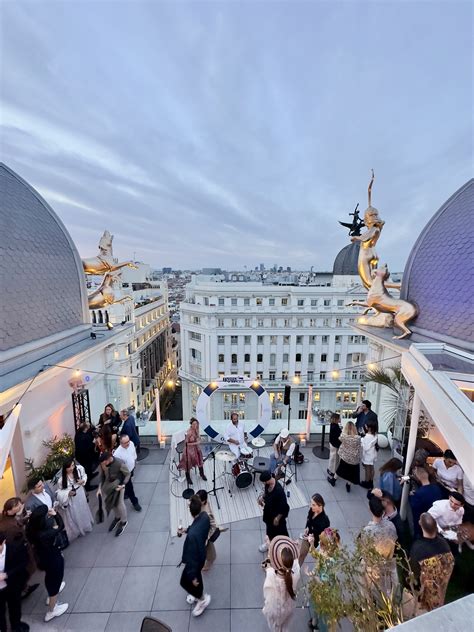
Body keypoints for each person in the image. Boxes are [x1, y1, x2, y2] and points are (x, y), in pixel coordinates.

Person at [25, 506, 68, 622]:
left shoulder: (31, 529)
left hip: (42, 558)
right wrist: (55, 514)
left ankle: (52, 595)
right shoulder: (45, 534)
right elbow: (61, 527)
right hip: (53, 558)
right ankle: (52, 609)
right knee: (55, 580)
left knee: (50, 577)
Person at [409, 513, 454, 612]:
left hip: (429, 586)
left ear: (420, 525)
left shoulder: (417, 549)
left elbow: (414, 573)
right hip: (442, 581)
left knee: (431, 605)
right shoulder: (444, 544)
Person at [178, 495, 211, 617]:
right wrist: (186, 530)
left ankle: (202, 599)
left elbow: (191, 558)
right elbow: (195, 528)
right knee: (189, 582)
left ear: (191, 513)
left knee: (187, 581)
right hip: (201, 554)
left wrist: (193, 577)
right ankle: (198, 595)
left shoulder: (192, 536)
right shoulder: (204, 516)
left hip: (195, 561)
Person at [360, 496, 398, 600]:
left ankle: (367, 602)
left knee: (365, 585)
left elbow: (365, 551)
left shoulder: (367, 531)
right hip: (388, 563)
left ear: (370, 510)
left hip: (374, 566)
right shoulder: (391, 526)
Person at [0, 498, 39, 600]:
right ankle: (22, 590)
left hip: (19, 551)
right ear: (9, 510)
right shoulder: (9, 527)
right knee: (24, 571)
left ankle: (23, 588)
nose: (20, 506)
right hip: (19, 553)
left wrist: (24, 518)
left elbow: (17, 522)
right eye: (17, 505)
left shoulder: (7, 518)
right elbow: (17, 534)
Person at [262, 536, 300, 632]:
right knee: (286, 625)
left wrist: (267, 569)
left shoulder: (271, 577)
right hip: (290, 607)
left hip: (277, 612)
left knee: (276, 628)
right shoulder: (296, 572)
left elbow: (269, 604)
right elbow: (295, 561)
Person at [307, 527, 342, 632]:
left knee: (319, 607)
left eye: (321, 543)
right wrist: (312, 544)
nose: (320, 544)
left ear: (325, 546)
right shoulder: (329, 550)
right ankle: (314, 622)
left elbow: (324, 582)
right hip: (323, 581)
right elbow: (316, 555)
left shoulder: (329, 561)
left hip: (324, 588)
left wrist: (312, 575)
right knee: (317, 606)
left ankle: (316, 626)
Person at [55, 458, 94, 541]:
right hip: (72, 498)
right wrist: (68, 493)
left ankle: (86, 525)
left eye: (73, 465)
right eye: (69, 467)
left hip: (80, 493)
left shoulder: (79, 469)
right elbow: (60, 492)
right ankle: (79, 529)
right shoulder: (61, 480)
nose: (72, 468)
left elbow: (85, 475)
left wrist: (83, 481)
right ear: (65, 468)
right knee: (75, 512)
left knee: (83, 508)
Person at [0, 531, 30, 632]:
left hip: (12, 586)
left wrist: (7, 574)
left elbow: (23, 562)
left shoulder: (15, 548)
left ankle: (16, 626)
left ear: (3, 542)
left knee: (15, 608)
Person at [97, 451, 130, 537]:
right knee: (112, 504)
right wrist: (99, 488)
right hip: (108, 487)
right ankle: (117, 517)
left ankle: (124, 521)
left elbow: (127, 474)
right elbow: (102, 476)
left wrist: (123, 485)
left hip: (119, 486)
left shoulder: (119, 463)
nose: (104, 464)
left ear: (108, 459)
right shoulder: (103, 464)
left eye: (105, 462)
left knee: (120, 504)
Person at [258, 471, 290, 553]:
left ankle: (286, 547)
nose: (263, 484)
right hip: (269, 512)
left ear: (267, 480)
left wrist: (277, 518)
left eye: (264, 482)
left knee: (282, 532)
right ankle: (268, 544)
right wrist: (262, 497)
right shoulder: (267, 484)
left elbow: (284, 506)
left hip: (277, 515)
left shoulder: (279, 491)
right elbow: (266, 492)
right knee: (269, 529)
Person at [409, 467, 444, 537]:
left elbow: (414, 508)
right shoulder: (437, 488)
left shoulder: (418, 494)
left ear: (417, 478)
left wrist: (410, 496)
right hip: (437, 519)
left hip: (424, 521)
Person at [298, 493, 330, 566]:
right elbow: (308, 519)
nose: (310, 506)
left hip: (314, 542)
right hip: (307, 537)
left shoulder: (324, 521)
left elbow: (322, 537)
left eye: (313, 505)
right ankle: (297, 567)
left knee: (311, 554)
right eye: (311, 503)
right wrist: (307, 527)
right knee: (302, 553)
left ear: (320, 506)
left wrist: (311, 538)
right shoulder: (312, 510)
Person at [113, 434, 142, 512]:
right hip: (124, 474)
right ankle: (135, 502)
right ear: (121, 443)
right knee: (130, 487)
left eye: (128, 441)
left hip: (131, 469)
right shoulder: (117, 454)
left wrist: (134, 463)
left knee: (128, 485)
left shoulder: (131, 444)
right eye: (126, 442)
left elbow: (133, 454)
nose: (128, 443)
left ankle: (125, 493)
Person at [196, 489, 222, 571]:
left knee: (211, 555)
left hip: (206, 535)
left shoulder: (206, 513)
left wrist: (206, 538)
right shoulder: (200, 506)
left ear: (203, 501)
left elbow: (212, 526)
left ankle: (207, 566)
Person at [331, 421, 361, 492]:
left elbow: (340, 438)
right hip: (354, 459)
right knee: (351, 473)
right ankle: (348, 485)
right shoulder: (358, 439)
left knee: (340, 469)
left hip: (345, 457)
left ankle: (333, 480)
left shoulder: (344, 437)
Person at [178, 418, 207, 486]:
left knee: (200, 459)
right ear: (191, 424)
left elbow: (197, 436)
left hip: (196, 448)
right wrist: (196, 443)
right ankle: (188, 477)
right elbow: (186, 444)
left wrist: (200, 438)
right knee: (188, 463)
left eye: (196, 424)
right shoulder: (189, 432)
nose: (195, 425)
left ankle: (202, 474)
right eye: (194, 424)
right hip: (189, 449)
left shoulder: (196, 429)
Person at [74, 421, 98, 491]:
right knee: (86, 470)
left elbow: (91, 430)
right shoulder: (82, 437)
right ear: (86, 428)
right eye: (88, 426)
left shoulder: (80, 432)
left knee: (89, 467)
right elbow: (86, 448)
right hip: (83, 457)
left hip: (85, 455)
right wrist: (93, 443)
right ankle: (88, 487)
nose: (90, 427)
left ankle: (91, 475)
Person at [360, 421, 378, 489]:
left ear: (369, 428)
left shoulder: (366, 437)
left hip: (368, 455)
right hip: (373, 454)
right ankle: (371, 482)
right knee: (372, 468)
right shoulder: (375, 434)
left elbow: (365, 447)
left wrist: (362, 439)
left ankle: (366, 482)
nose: (365, 427)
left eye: (366, 426)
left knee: (367, 469)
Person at [327, 413, 342, 481]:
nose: (340, 419)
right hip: (335, 445)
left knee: (332, 457)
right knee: (335, 459)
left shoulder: (333, 425)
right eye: (339, 418)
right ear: (336, 419)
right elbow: (338, 437)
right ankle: (332, 471)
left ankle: (330, 469)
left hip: (332, 443)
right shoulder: (335, 427)